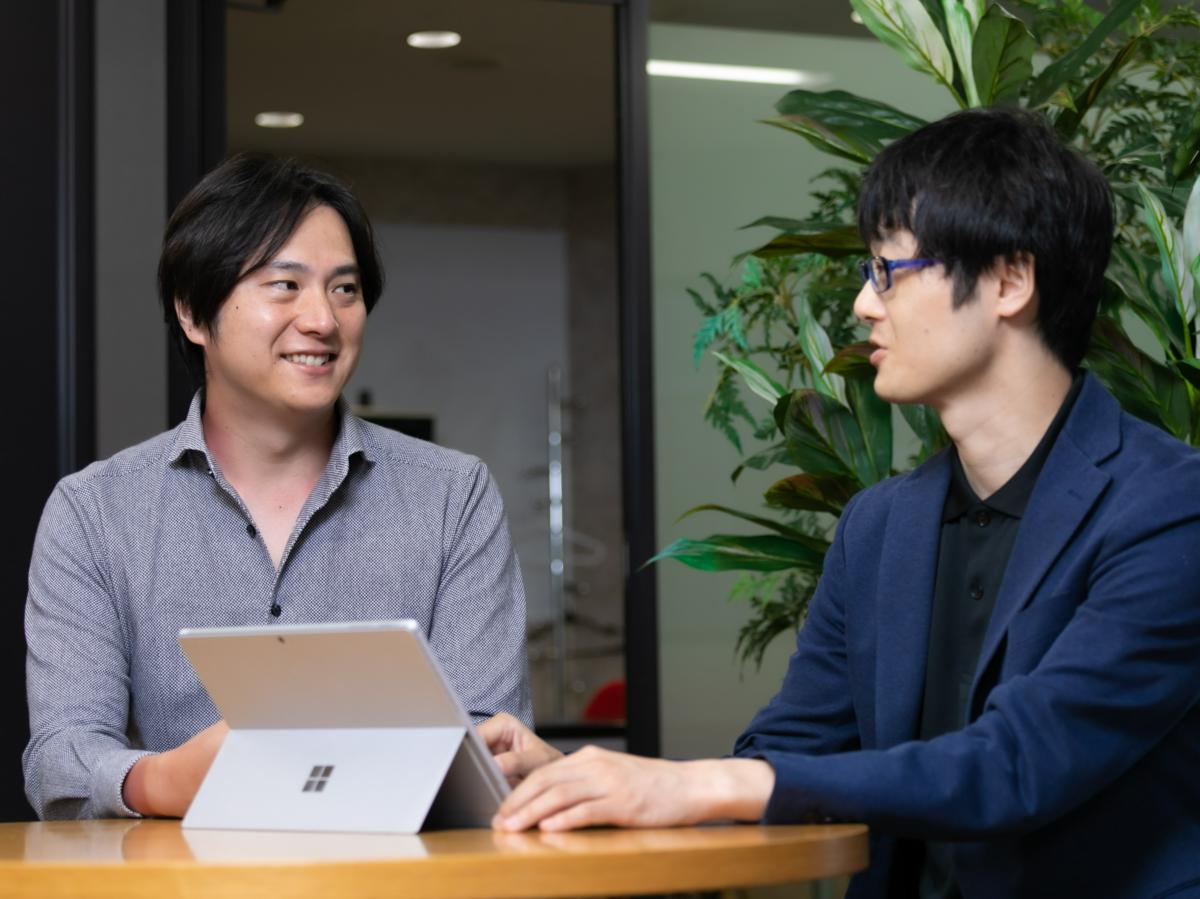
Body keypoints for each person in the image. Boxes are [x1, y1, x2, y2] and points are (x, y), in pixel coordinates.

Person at [479, 108, 1200, 899]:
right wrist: (585, 786)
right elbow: (790, 754)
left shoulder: (1169, 506)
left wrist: (693, 785)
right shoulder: (880, 524)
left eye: (888, 271)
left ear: (1008, 281)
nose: (862, 304)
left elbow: (1018, 764)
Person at [24, 155, 531, 820]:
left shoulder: (453, 496)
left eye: (345, 289)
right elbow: (60, 758)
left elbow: (495, 743)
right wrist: (161, 780)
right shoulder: (94, 512)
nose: (323, 319)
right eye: (285, 285)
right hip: (180, 873)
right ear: (193, 313)